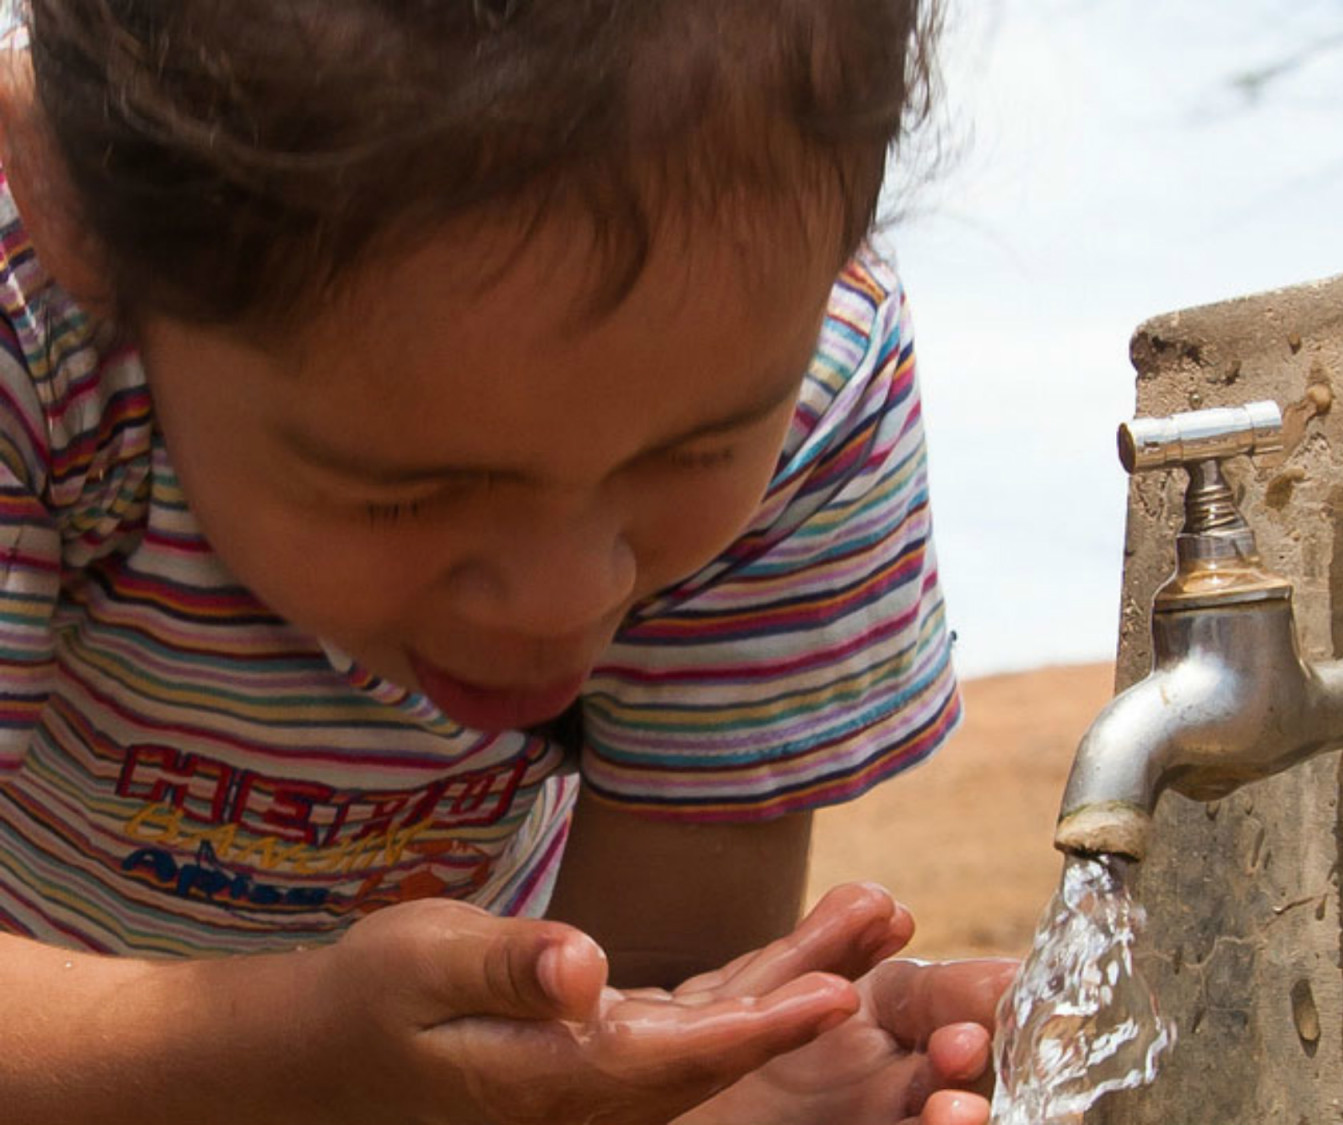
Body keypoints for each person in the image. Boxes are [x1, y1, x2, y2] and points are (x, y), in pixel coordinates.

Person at [0, 1, 1014, 1121]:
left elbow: (649, 979)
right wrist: (297, 1057)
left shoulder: (807, 389)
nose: (566, 599)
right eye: (407, 493)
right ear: (66, 196)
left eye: (692, 456)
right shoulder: (26, 335)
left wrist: (719, 1083)